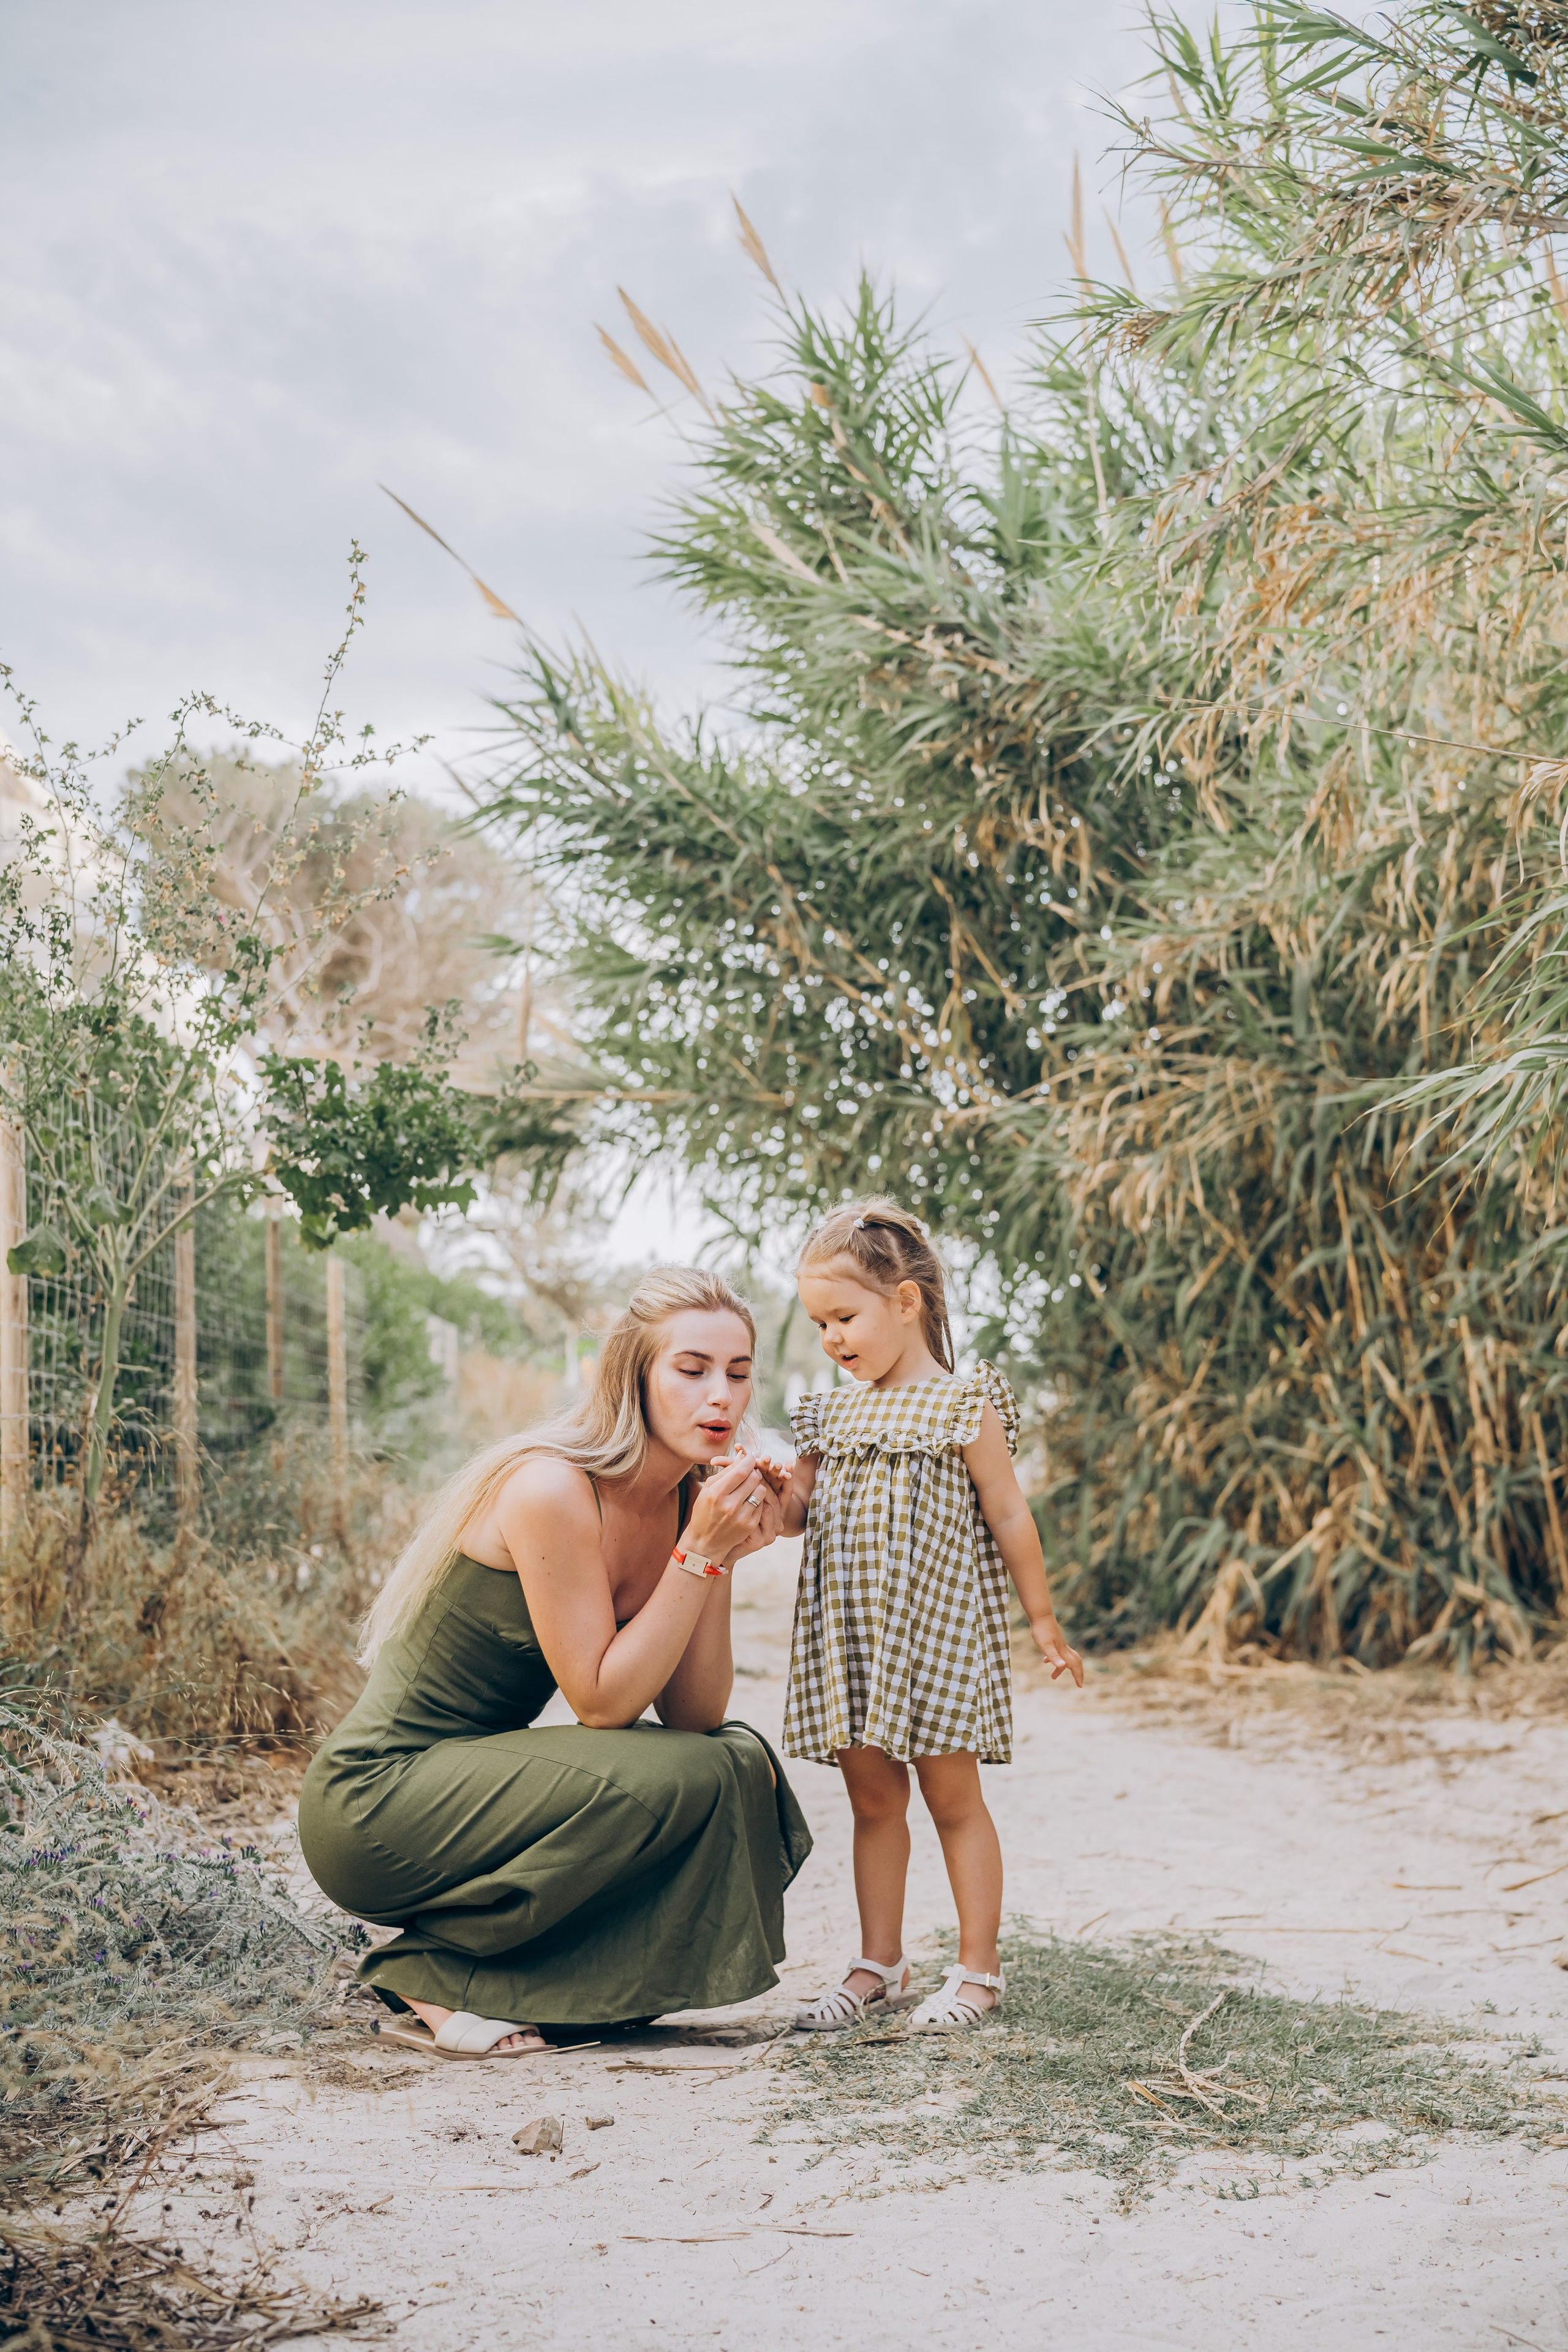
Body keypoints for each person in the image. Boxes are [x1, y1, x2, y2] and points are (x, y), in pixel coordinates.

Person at [298, 1267, 810, 2060]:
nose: (721, 1396)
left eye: (738, 1374)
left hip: (480, 1785)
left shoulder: (686, 1499)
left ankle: (547, 1984)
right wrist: (700, 1553)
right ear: (633, 1377)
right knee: (698, 1772)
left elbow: (696, 1716)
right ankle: (428, 1971)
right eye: (692, 1369)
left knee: (738, 1760)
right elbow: (602, 1704)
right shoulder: (552, 1489)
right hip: (378, 1801)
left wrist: (722, 1551)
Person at [778, 1198, 1083, 2036]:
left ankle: (979, 1970)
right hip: (852, 1640)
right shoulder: (826, 1415)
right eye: (819, 1324)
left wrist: (1043, 1621)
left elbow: (1009, 1514)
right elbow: (797, 1513)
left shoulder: (963, 1405)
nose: (832, 1338)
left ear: (906, 1302)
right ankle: (879, 1963)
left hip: (937, 1638)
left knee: (954, 1799)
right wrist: (767, 1491)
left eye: (844, 1318)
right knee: (873, 1800)